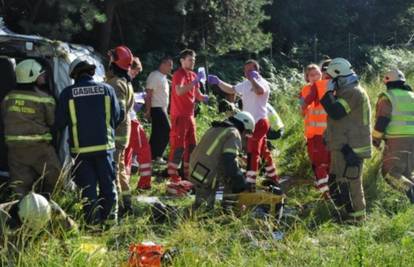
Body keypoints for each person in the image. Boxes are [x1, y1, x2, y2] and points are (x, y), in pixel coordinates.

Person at [55, 57, 121, 225]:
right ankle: (110, 222)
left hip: (81, 152)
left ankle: (92, 224)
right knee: (108, 186)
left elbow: (59, 123)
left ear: (74, 74)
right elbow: (118, 116)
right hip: (105, 149)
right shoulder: (107, 90)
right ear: (92, 71)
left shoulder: (67, 93)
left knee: (88, 189)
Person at [208, 59, 279, 190]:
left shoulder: (262, 83)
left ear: (257, 71)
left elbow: (259, 91)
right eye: (246, 71)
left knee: (253, 150)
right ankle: (273, 177)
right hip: (250, 123)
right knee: (263, 151)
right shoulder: (246, 84)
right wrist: (218, 82)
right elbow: (231, 89)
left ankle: (250, 182)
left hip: (260, 122)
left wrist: (253, 79)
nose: (247, 73)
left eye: (250, 70)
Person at [320, 58, 372, 222]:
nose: (326, 81)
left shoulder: (353, 92)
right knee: (336, 182)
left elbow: (336, 112)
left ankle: (357, 218)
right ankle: (347, 214)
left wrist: (328, 94)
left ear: (338, 76)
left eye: (329, 78)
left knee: (350, 183)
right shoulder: (345, 91)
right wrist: (327, 136)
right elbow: (341, 121)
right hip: (343, 145)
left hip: (352, 147)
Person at [1, 59, 61, 198]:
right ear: (32, 76)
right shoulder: (45, 99)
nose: (44, 76)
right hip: (39, 148)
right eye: (41, 74)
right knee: (55, 179)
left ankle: (21, 213)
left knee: (19, 186)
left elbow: (5, 116)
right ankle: (49, 206)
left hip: (15, 150)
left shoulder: (8, 97)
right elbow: (52, 121)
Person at [189, 111, 255, 210]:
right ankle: (229, 209)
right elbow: (229, 162)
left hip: (196, 170)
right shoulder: (234, 133)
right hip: (205, 175)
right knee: (203, 210)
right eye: (247, 133)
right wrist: (241, 183)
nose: (246, 137)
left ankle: (222, 207)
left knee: (202, 203)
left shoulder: (218, 128)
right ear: (244, 127)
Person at [167, 49, 208, 195]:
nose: (193, 61)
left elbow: (197, 95)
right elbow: (179, 91)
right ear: (182, 61)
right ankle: (173, 178)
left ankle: (187, 176)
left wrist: (205, 97)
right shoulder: (179, 74)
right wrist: (196, 81)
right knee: (178, 146)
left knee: (192, 146)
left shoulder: (193, 75)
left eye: (194, 59)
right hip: (179, 115)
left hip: (190, 115)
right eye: (190, 59)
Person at [372, 69, 414, 203]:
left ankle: (411, 191)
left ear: (387, 82)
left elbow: (382, 120)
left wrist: (375, 139)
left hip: (398, 139)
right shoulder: (411, 95)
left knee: (390, 173)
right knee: (407, 173)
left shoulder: (387, 97)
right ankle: (409, 203)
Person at [106, 46, 135, 211]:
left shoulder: (117, 84)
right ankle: (127, 202)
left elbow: (119, 112)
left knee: (114, 171)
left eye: (111, 58)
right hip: (123, 133)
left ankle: (118, 207)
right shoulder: (123, 81)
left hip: (116, 134)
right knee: (121, 168)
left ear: (115, 62)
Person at [298, 64, 330, 196]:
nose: (316, 77)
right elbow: (301, 111)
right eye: (312, 75)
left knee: (323, 163)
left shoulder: (325, 86)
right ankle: (324, 190)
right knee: (317, 163)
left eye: (317, 73)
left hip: (325, 132)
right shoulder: (305, 90)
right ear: (307, 77)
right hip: (312, 133)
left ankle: (326, 193)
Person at [124, 57, 153, 190]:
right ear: (129, 67)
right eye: (135, 72)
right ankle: (144, 183)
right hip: (131, 122)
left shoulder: (123, 81)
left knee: (128, 155)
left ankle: (125, 182)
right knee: (143, 151)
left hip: (128, 121)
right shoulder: (123, 82)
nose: (135, 75)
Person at [145, 57, 173, 164]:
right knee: (167, 130)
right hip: (156, 108)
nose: (171, 68)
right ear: (163, 64)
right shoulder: (155, 75)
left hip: (163, 108)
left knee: (157, 133)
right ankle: (158, 155)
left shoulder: (164, 77)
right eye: (169, 65)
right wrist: (148, 111)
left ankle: (150, 156)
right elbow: (148, 94)